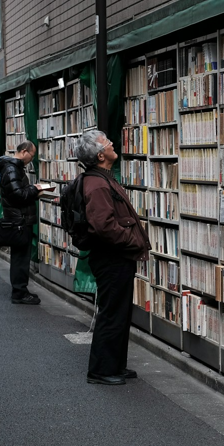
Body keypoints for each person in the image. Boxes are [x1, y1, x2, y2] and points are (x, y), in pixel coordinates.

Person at [77, 130, 150, 385]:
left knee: (119, 312)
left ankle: (115, 365)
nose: (112, 144)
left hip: (116, 256)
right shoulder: (96, 183)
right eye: (108, 143)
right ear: (100, 155)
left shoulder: (101, 178)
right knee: (111, 312)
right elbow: (103, 226)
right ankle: (100, 369)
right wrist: (132, 241)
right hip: (111, 257)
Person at [0, 141, 47, 304]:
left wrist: (31, 189)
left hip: (19, 219)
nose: (32, 159)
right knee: (20, 258)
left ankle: (20, 290)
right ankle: (19, 292)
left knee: (20, 257)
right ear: (24, 152)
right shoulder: (12, 169)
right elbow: (18, 195)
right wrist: (35, 190)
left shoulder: (12, 168)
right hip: (19, 220)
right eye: (32, 155)